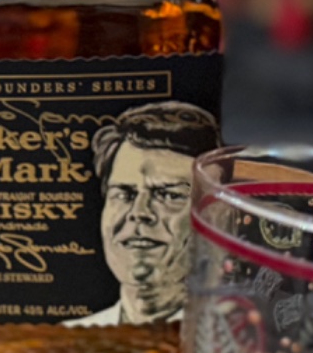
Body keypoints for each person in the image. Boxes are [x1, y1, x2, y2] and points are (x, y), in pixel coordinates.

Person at [66, 102, 217, 328]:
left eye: (169, 195)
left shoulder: (246, 341)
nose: (139, 212)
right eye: (123, 194)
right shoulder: (68, 338)